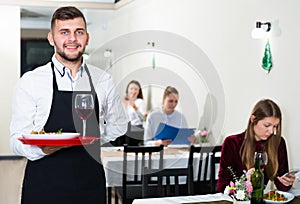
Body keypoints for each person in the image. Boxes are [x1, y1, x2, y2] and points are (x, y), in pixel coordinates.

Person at [10, 6, 127, 204]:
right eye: (64, 32)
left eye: (78, 32)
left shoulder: (103, 80)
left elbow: (119, 126)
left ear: (87, 38)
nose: (72, 39)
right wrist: (44, 149)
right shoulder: (31, 81)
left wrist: (92, 137)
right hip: (44, 186)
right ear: (51, 38)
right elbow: (15, 141)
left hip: (90, 184)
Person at [217, 99, 295, 193]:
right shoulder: (232, 143)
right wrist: (245, 182)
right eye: (267, 125)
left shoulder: (278, 143)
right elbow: (222, 187)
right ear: (253, 119)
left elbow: (282, 187)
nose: (271, 131)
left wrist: (286, 182)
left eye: (275, 126)